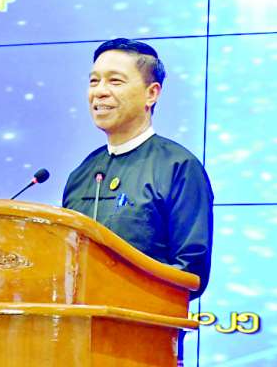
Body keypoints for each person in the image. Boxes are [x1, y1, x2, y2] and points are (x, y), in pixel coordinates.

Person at [61, 38, 213, 299]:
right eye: (94, 81)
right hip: (79, 321)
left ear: (151, 93)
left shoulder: (178, 167)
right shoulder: (82, 173)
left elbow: (191, 271)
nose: (100, 92)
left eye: (115, 81)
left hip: (143, 320)